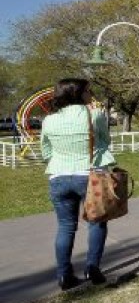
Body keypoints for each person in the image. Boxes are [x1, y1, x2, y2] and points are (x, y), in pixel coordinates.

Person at [40, 78, 116, 290]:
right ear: (78, 93)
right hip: (89, 174)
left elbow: (46, 151)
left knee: (65, 226)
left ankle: (64, 275)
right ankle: (93, 267)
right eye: (87, 91)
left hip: (58, 176)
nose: (90, 94)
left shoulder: (49, 120)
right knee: (97, 222)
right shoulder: (95, 115)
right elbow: (104, 141)